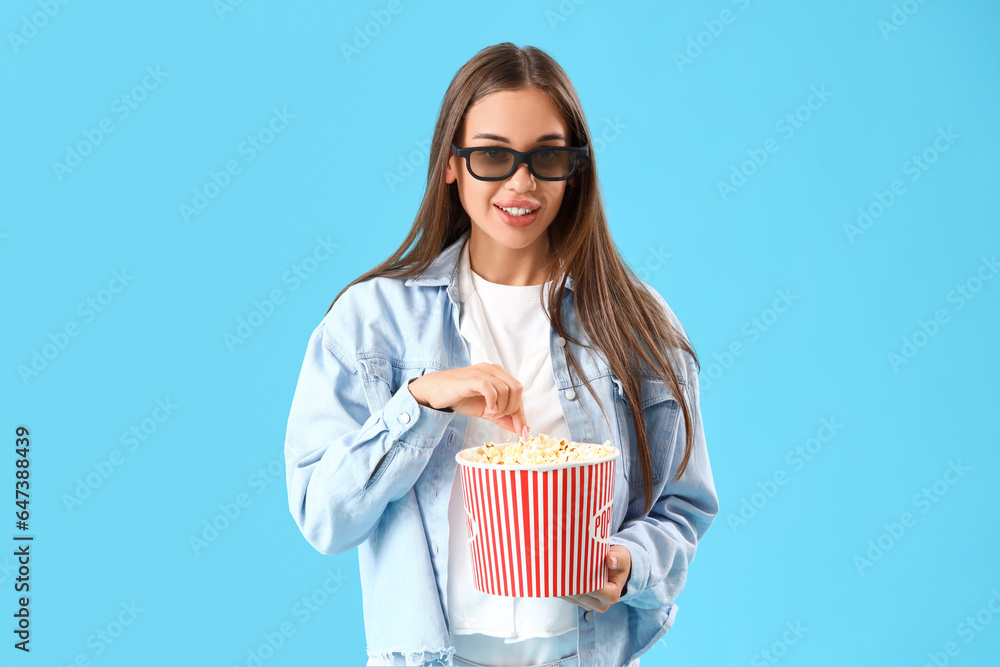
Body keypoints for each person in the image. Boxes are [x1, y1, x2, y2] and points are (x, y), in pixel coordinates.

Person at [284, 42, 719, 667]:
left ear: (576, 169)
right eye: (492, 155)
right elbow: (325, 518)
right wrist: (418, 403)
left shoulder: (636, 322)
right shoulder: (370, 323)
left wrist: (628, 565)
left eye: (547, 156)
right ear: (451, 165)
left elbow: (684, 506)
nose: (522, 182)